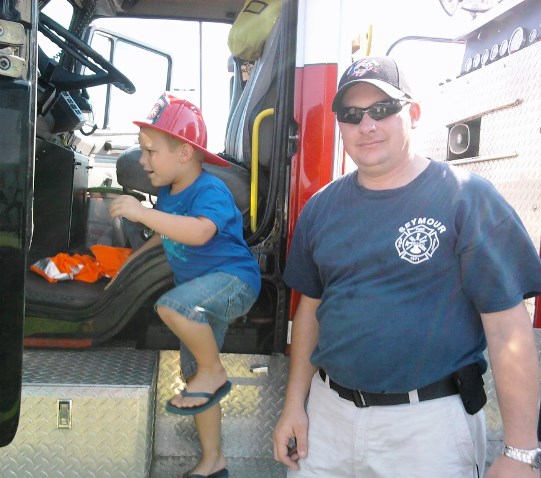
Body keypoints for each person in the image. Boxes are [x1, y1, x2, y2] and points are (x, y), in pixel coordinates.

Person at [272, 56, 541, 478]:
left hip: (426, 430)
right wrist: (294, 405)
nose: (367, 125)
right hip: (327, 420)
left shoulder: (466, 199)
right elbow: (310, 309)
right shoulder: (321, 207)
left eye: (382, 110)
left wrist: (521, 452)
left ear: (412, 114)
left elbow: (508, 329)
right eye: (352, 114)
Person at [108, 93, 261, 478]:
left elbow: (197, 232)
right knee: (195, 379)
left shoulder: (210, 192)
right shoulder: (167, 193)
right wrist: (132, 261)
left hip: (233, 283)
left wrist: (142, 213)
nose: (142, 161)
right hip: (200, 297)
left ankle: (215, 372)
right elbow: (167, 235)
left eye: (149, 152)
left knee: (172, 308)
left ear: (184, 153)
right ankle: (213, 461)